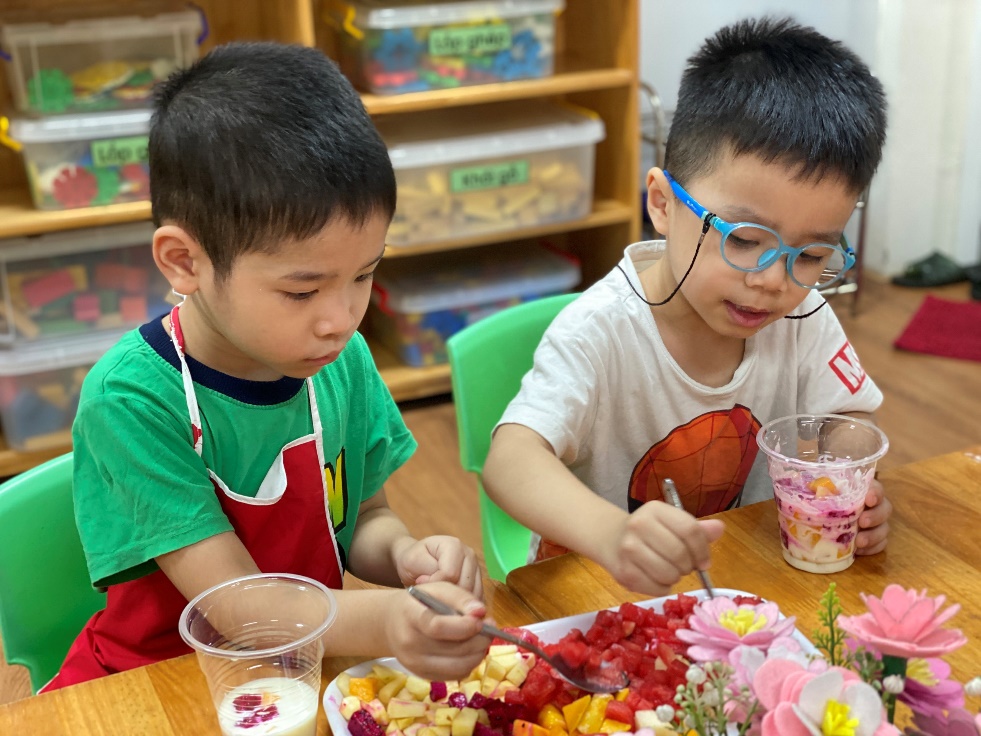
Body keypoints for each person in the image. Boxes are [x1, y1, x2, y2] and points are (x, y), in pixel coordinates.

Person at [46, 42, 487, 691]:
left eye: (364, 274)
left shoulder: (341, 359)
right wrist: (390, 620)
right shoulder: (132, 400)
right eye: (302, 291)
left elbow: (362, 518)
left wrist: (404, 558)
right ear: (184, 262)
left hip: (297, 668)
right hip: (161, 682)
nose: (341, 317)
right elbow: (239, 609)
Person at [483, 18, 892, 596]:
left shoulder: (802, 317)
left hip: (737, 582)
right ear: (662, 204)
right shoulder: (599, 331)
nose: (773, 281)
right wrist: (613, 534)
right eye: (745, 240)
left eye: (811, 255)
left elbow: (851, 422)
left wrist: (852, 486)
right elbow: (511, 460)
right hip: (597, 589)